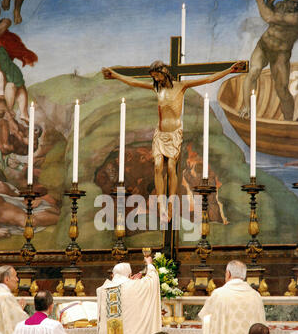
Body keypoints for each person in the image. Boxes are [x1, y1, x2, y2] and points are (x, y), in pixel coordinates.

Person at [102, 60, 243, 221]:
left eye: (158, 76)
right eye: (154, 77)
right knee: (157, 167)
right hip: (160, 133)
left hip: (174, 134)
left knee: (170, 167)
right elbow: (134, 82)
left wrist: (229, 70)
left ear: (164, 72)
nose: (157, 79)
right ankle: (162, 203)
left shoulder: (180, 87)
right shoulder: (156, 88)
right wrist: (115, 75)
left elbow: (208, 79)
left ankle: (170, 203)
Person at [240, 0, 298, 121]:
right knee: (253, 73)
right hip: (263, 46)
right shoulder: (280, 6)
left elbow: (269, 17)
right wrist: (270, 3)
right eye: (292, 2)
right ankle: (246, 107)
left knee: (282, 90)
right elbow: (273, 17)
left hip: (280, 55)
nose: (295, 5)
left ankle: (288, 121)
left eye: (297, 2)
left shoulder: (295, 16)